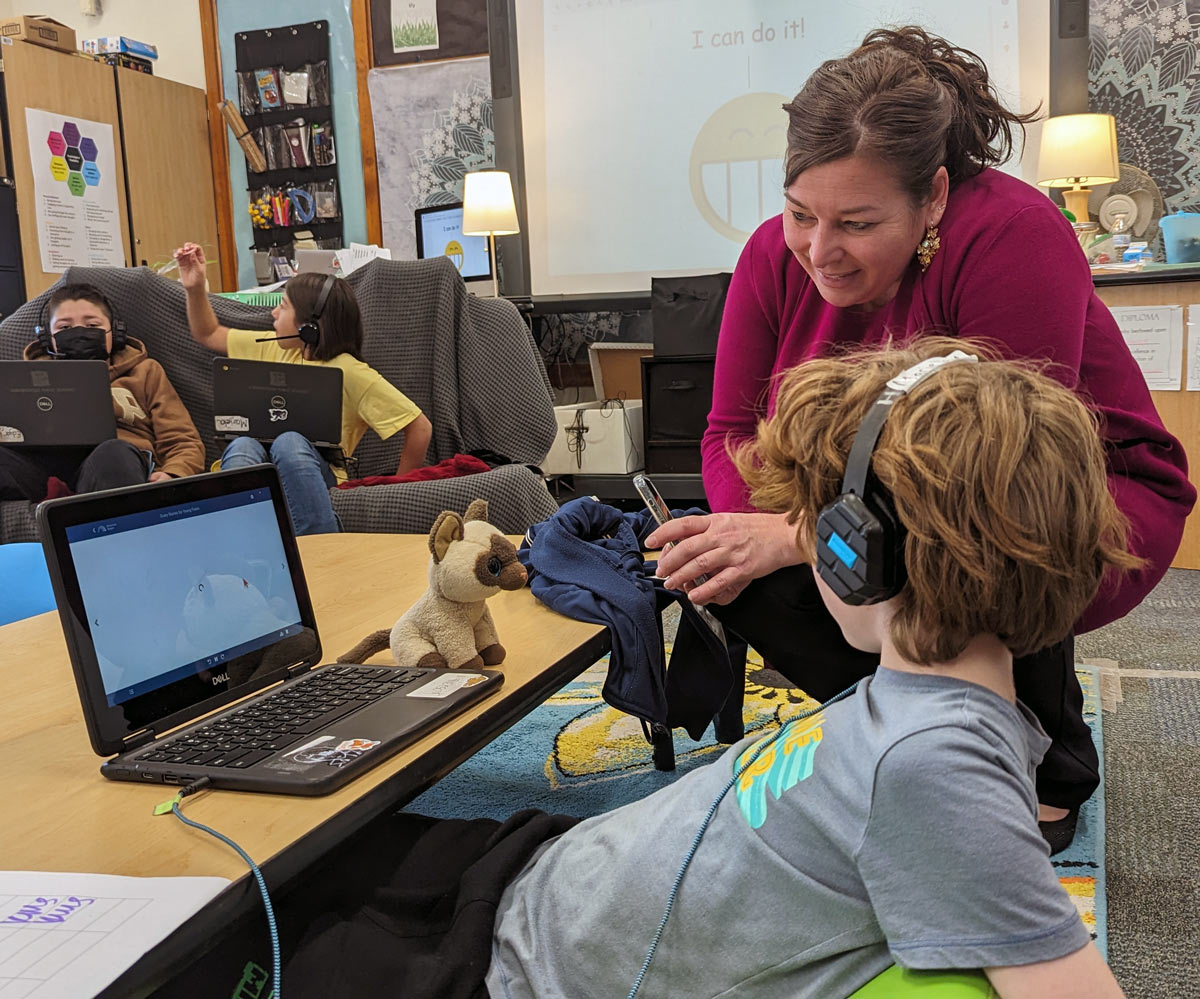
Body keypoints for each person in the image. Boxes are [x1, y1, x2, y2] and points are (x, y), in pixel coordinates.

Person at [272, 340, 1130, 999]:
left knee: (232, 944)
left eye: (815, 517)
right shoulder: (950, 706)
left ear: (858, 555)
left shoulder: (934, 766)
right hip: (548, 868)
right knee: (302, 863)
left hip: (519, 969)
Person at [647, 25, 1196, 851]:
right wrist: (750, 536)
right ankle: (911, 725)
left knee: (969, 559)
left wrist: (800, 533)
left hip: (1060, 493)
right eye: (801, 214)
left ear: (933, 196)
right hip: (872, 495)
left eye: (858, 223)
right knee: (732, 568)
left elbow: (1004, 478)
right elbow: (729, 432)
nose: (820, 252)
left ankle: (1044, 761)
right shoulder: (772, 255)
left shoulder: (1011, 233)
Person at [173, 242, 432, 535]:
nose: (273, 315)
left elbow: (419, 428)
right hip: (258, 464)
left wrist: (399, 491)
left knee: (289, 441)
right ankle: (234, 548)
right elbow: (207, 333)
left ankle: (323, 549)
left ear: (309, 326)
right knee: (243, 445)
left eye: (282, 307)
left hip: (317, 475)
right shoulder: (272, 350)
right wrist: (194, 289)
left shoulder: (349, 371)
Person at [0, 283, 204, 501]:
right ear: (47, 338)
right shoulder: (21, 379)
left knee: (113, 453)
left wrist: (173, 472)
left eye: (92, 325)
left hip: (115, 463)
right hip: (42, 473)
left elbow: (183, 440)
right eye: (65, 328)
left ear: (115, 333)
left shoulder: (145, 372)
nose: (79, 333)